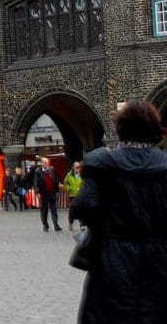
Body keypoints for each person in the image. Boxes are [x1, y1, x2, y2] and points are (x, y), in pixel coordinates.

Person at [74, 100, 167, 323]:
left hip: (113, 257)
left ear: (121, 128)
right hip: (160, 257)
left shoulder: (103, 163)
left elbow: (84, 207)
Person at [32, 157, 62, 232]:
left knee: (54, 210)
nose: (46, 164)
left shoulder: (52, 169)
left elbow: (56, 179)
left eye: (47, 162)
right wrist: (37, 192)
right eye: (45, 162)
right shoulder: (37, 171)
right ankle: (45, 226)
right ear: (42, 163)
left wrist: (57, 191)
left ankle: (56, 226)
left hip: (52, 193)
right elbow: (35, 182)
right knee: (44, 211)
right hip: (43, 193)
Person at [61, 161, 83, 231]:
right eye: (77, 167)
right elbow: (65, 183)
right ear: (73, 168)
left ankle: (82, 224)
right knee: (72, 210)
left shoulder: (83, 174)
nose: (78, 169)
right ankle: (70, 223)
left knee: (81, 209)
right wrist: (69, 189)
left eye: (79, 167)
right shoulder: (69, 175)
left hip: (81, 195)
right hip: (72, 195)